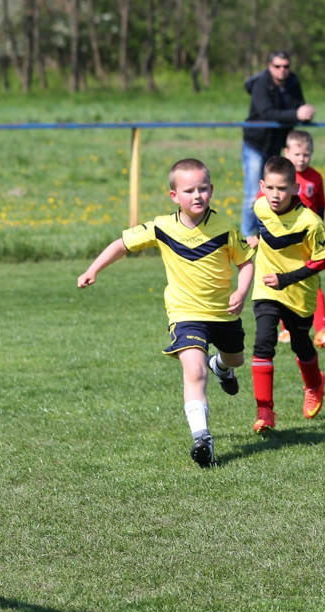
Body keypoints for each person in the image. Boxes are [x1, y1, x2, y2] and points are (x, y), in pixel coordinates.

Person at [78, 159, 255, 468]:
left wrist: (241, 292)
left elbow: (246, 261)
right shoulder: (162, 227)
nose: (197, 195)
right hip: (185, 313)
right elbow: (122, 244)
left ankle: (222, 367)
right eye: (189, 190)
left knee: (235, 359)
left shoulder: (225, 228)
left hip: (223, 314)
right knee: (194, 371)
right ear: (174, 196)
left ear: (211, 190)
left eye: (203, 189)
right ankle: (202, 439)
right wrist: (93, 269)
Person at [250, 157, 325, 434]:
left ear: (295, 188)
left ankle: (314, 384)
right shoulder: (260, 206)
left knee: (300, 344)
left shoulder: (310, 222)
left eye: (282, 188)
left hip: (299, 294)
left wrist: (284, 279)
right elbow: (267, 234)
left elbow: (323, 261)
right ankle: (265, 411)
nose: (275, 195)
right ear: (262, 186)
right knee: (264, 342)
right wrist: (253, 242)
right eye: (270, 188)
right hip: (266, 289)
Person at [248, 130, 325, 349]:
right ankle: (286, 328)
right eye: (297, 154)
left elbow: (321, 206)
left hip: (304, 242)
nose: (302, 159)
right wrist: (258, 237)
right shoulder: (269, 190)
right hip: (280, 245)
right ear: (287, 152)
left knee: (313, 284)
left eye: (306, 154)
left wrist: (319, 232)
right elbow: (265, 217)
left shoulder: (315, 178)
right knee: (277, 285)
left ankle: (322, 329)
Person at [241, 51, 315, 239]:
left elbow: (298, 106)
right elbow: (267, 113)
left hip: (277, 146)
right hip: (256, 145)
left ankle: (270, 234)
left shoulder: (293, 83)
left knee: (277, 193)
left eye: (286, 66)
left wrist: (306, 114)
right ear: (269, 66)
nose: (282, 70)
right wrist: (296, 114)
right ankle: (246, 237)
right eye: (277, 66)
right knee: (253, 195)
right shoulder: (261, 84)